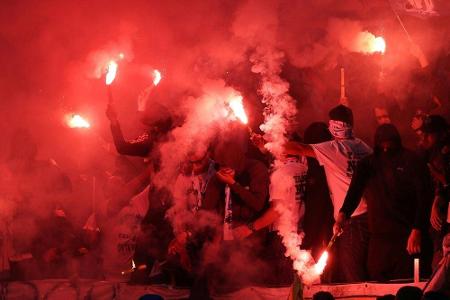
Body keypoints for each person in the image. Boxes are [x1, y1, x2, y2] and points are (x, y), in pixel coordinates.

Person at [284, 105, 372, 282]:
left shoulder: (334, 149)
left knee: (353, 275)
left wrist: (268, 143)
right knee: (358, 271)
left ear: (334, 126)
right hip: (367, 215)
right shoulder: (364, 147)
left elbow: (300, 149)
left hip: (351, 219)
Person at [335, 124, 430, 281]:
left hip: (406, 235)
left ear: (397, 142)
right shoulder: (368, 165)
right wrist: (342, 215)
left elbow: (424, 197)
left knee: (406, 284)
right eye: (382, 144)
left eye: (390, 143)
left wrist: (417, 229)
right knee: (378, 281)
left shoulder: (412, 161)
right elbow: (354, 193)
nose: (386, 148)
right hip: (379, 238)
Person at [421, 115, 450, 267]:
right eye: (423, 133)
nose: (424, 138)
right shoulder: (432, 153)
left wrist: (440, 193)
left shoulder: (444, 154)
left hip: (445, 227)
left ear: (442, 133)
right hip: (437, 228)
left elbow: (445, 183)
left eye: (429, 134)